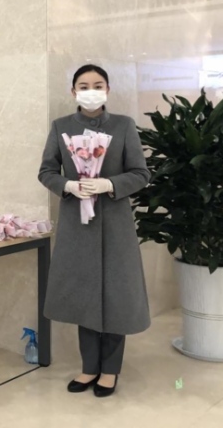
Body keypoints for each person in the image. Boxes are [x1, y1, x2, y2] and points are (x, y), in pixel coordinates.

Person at [38, 64, 151, 398]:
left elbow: (141, 173)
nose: (91, 91)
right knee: (83, 296)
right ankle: (89, 367)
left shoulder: (123, 125)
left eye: (98, 85)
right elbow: (46, 171)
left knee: (116, 297)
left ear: (108, 90)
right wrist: (69, 185)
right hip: (77, 225)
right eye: (84, 86)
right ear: (73, 91)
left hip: (115, 225)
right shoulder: (61, 127)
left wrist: (109, 184)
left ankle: (110, 370)